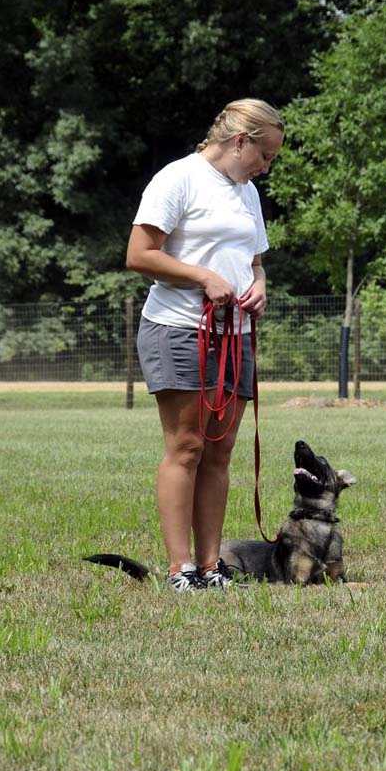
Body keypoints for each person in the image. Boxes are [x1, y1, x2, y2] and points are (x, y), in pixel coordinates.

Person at [126, 98, 285, 591]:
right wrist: (202, 277)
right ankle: (180, 570)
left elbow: (253, 259)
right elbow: (139, 255)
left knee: (220, 451)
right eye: (266, 155)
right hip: (178, 329)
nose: (267, 166)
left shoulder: (248, 193)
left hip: (234, 333)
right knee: (188, 447)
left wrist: (259, 282)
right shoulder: (179, 179)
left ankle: (212, 567)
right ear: (241, 141)